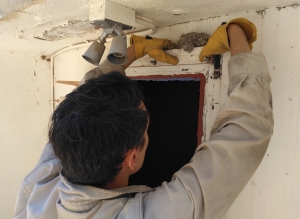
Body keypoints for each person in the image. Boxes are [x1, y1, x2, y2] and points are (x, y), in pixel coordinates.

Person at [14, 18, 273, 219]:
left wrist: (133, 51)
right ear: (132, 158)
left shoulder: (41, 188)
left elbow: (83, 105)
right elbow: (244, 129)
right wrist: (236, 32)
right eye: (146, 130)